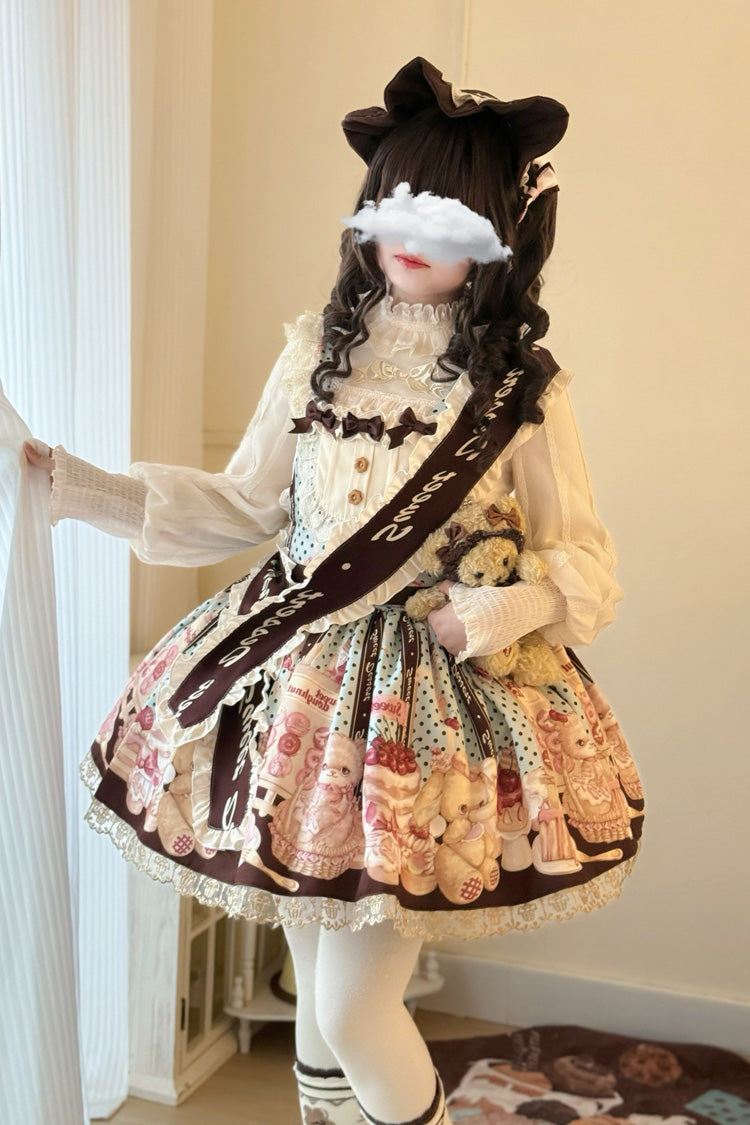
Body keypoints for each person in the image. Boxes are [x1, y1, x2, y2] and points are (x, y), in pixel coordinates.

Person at [25, 57, 643, 1125]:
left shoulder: (521, 390)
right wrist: (79, 487)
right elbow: (243, 505)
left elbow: (584, 557)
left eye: (453, 217)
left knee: (358, 1012)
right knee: (319, 993)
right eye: (402, 203)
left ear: (497, 235)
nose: (419, 235)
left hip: (430, 709)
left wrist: (496, 610)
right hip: (303, 693)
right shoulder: (315, 352)